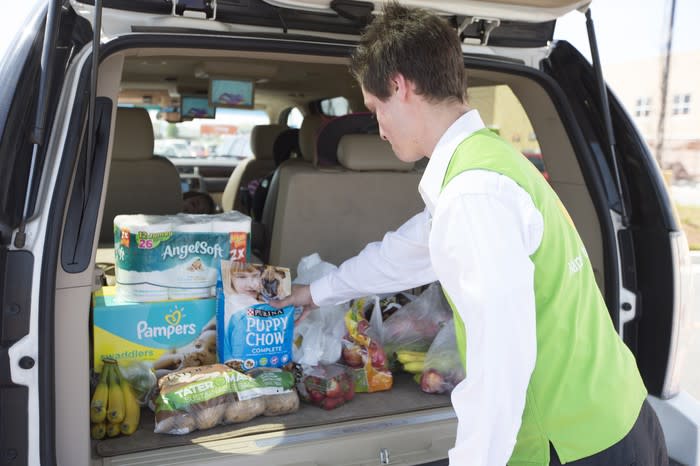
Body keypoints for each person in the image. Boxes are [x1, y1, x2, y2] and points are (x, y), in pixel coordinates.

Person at [272, 3, 669, 466]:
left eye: (375, 107)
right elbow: (405, 253)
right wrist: (315, 293)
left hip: (573, 443)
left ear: (400, 86)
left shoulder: (473, 194)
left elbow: (500, 360)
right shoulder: (486, 163)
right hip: (613, 416)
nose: (377, 128)